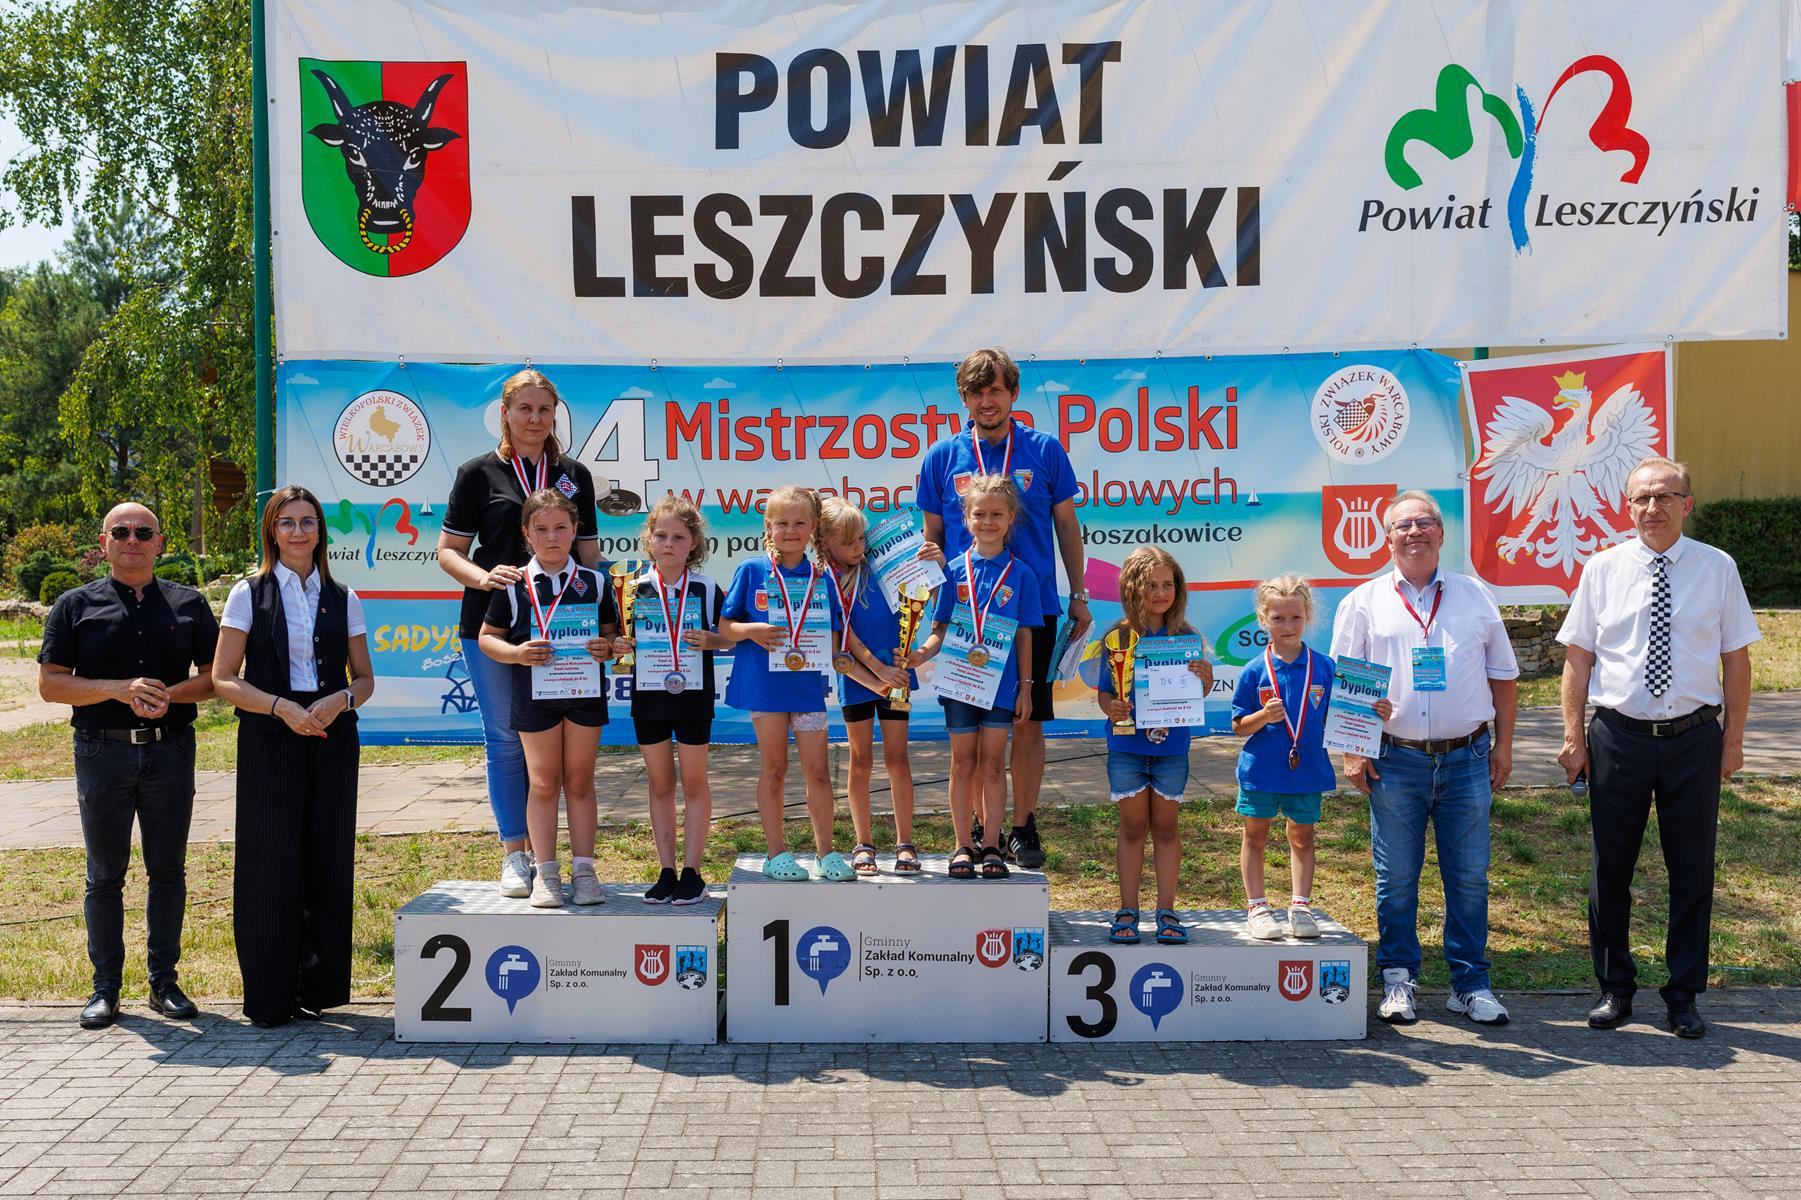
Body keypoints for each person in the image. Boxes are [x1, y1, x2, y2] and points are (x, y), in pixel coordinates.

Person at [1557, 457, 1760, 1039]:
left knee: (1693, 868)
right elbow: (1579, 658)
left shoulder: (1717, 567)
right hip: (1617, 737)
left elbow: (1736, 659)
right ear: (1628, 507)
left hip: (1694, 739)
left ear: (1686, 504)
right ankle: (1615, 989)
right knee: (1610, 869)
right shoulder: (1603, 569)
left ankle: (1683, 994)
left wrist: (1733, 740)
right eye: (1642, 498)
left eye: (1665, 496)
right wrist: (1573, 737)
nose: (1653, 507)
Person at [1330, 490, 1518, 1027]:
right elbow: (1348, 684)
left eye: (1424, 522)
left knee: (1470, 877)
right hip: (1395, 760)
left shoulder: (1475, 594)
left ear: (1441, 532)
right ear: (1386, 538)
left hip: (1467, 758)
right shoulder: (1363, 601)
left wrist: (1504, 746)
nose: (1414, 531)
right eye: (1402, 524)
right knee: (1396, 877)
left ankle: (1470, 984)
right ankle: (1398, 979)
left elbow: (1503, 677)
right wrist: (1353, 752)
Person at [38, 504, 219, 1030]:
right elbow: (51, 684)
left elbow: (217, 676)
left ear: (160, 542)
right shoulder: (74, 605)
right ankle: (106, 989)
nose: (132, 539)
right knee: (104, 875)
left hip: (170, 751)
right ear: (104, 542)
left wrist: (167, 696)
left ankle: (164, 983)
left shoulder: (189, 604)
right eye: (121, 532)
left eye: (143, 532)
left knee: (168, 871)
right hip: (102, 753)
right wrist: (119, 689)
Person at [916, 347, 1090, 868]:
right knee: (973, 724)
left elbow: (1067, 526)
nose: (986, 400)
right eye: (977, 391)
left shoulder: (1045, 449)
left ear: (1013, 393)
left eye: (995, 390)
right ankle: (978, 828)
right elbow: (932, 537)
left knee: (1026, 719)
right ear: (964, 398)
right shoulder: (941, 457)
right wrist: (932, 609)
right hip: (965, 610)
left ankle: (1022, 826)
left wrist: (1079, 594)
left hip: (1030, 610)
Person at [212, 486, 375, 1028]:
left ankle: (319, 989)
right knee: (269, 862)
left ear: (320, 531)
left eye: (308, 522)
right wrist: (281, 707)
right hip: (269, 734)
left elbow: (365, 679)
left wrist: (340, 700)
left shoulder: (344, 597)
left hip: (331, 735)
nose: (298, 531)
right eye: (287, 522)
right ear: (272, 531)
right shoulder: (248, 593)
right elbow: (223, 679)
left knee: (328, 857)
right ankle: (271, 996)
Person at [438, 369, 601, 898]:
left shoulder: (574, 474)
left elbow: (589, 555)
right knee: (506, 740)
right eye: (524, 409)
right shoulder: (477, 473)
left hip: (565, 630)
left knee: (556, 749)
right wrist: (484, 578)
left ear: (555, 415)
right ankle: (516, 854)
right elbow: (448, 552)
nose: (535, 418)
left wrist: (604, 615)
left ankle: (569, 862)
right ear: (505, 413)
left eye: (544, 409)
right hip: (494, 623)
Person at [478, 489, 617, 908]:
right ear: (527, 533)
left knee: (580, 780)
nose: (552, 537)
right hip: (534, 695)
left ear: (575, 530)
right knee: (542, 782)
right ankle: (546, 873)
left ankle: (585, 871)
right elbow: (487, 639)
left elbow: (611, 636)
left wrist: (607, 648)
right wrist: (517, 654)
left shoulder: (596, 583)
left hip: (583, 693)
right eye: (541, 529)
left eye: (560, 527)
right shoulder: (514, 584)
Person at [1233, 575, 1387, 941]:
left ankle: (1300, 906)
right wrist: (1262, 717)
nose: (1287, 626)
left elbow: (1347, 712)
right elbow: (1239, 726)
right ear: (1263, 619)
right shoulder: (1254, 670)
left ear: (1308, 618)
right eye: (1278, 618)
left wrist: (1375, 710)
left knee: (1302, 837)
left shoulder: (1325, 668)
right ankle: (1257, 907)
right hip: (1261, 772)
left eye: (1295, 618)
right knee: (1255, 835)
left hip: (1307, 771)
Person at [909, 474, 1043, 880]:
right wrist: (922, 653)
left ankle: (992, 847)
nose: (988, 522)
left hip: (1000, 688)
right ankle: (962, 845)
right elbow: (940, 629)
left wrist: (1026, 688)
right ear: (965, 519)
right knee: (962, 764)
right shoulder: (953, 571)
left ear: (1011, 518)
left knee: (993, 765)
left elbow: (1025, 635)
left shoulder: (1022, 575)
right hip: (959, 684)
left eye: (997, 514)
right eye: (979, 514)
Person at [720, 487, 850, 881]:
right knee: (774, 768)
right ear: (768, 527)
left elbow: (834, 640)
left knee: (819, 772)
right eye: (782, 523)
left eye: (798, 523)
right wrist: (751, 630)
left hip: (807, 689)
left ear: (813, 527)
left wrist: (871, 674)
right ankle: (775, 853)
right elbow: (725, 628)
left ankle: (826, 853)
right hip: (766, 688)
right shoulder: (752, 570)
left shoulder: (822, 577)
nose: (790, 531)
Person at [815, 496, 944, 875]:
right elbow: (843, 640)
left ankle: (905, 843)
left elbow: (931, 595)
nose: (859, 547)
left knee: (897, 759)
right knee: (860, 761)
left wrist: (935, 563)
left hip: (898, 675)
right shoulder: (825, 579)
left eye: (861, 539)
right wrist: (875, 677)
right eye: (850, 542)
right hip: (857, 681)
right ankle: (864, 844)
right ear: (826, 542)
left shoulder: (882, 564)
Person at [1096, 548, 1213, 945]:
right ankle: (1127, 909)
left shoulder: (1187, 638)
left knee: (1165, 827)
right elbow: (1105, 692)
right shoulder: (1117, 638)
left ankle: (1167, 910)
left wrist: (1205, 678)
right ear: (1133, 589)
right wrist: (1111, 707)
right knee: (1132, 827)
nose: (1161, 593)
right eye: (1151, 585)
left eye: (1168, 585)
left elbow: (1196, 694)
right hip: (1127, 747)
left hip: (1171, 750)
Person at [614, 494, 726, 904]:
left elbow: (729, 636)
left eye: (679, 537)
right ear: (648, 540)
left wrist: (712, 639)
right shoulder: (632, 589)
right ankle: (666, 870)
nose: (668, 544)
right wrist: (619, 645)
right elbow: (617, 641)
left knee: (695, 782)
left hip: (693, 696)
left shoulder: (707, 588)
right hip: (650, 697)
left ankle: (693, 872)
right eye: (661, 535)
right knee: (660, 782)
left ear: (694, 543)